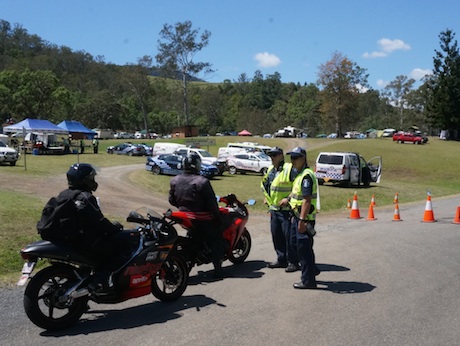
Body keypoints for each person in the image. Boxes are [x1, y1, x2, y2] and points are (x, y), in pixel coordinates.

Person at [64, 163, 132, 291]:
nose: (93, 181)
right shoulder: (85, 197)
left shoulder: (65, 194)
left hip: (72, 238)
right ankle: (101, 279)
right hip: (85, 240)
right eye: (91, 178)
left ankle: (88, 278)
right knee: (123, 247)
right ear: (84, 180)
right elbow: (99, 221)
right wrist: (114, 228)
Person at [169, 152, 225, 278]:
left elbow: (171, 200)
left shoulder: (174, 180)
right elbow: (212, 204)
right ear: (197, 165)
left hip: (184, 216)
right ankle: (219, 270)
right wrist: (218, 217)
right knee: (216, 237)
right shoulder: (202, 182)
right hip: (201, 218)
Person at [282, 147, 320, 289]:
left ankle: (308, 281)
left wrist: (302, 220)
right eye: (291, 158)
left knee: (304, 249)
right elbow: (296, 196)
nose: (293, 161)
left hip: (304, 219)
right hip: (297, 216)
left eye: (296, 158)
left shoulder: (306, 176)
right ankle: (312, 270)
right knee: (297, 246)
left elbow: (306, 200)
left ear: (303, 158)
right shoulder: (299, 175)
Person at [261, 146, 299, 272]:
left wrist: (288, 199)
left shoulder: (289, 169)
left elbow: (297, 187)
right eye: (271, 155)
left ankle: (293, 261)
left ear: (281, 156)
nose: (272, 158)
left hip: (286, 210)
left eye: (275, 155)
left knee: (289, 237)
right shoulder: (271, 170)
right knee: (276, 235)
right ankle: (281, 259)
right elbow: (267, 185)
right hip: (274, 209)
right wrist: (266, 197)